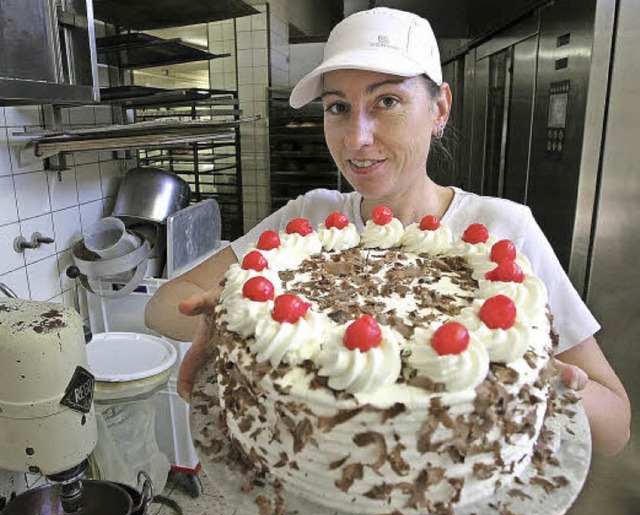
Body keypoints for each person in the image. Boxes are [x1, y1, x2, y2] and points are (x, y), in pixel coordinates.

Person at [145, 7, 630, 456]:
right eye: (337, 107)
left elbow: (616, 425)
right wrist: (233, 330)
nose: (356, 138)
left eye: (388, 101)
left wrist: (533, 380)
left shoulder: (500, 232)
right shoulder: (313, 219)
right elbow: (163, 304)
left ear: (439, 109)